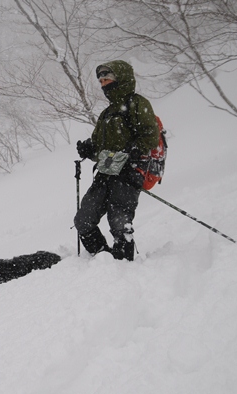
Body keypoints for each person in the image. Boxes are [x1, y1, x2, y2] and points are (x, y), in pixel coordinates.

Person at [74, 60, 159, 261]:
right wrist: (89, 149)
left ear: (121, 79)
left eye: (107, 79)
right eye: (101, 81)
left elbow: (150, 136)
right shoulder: (107, 113)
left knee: (119, 224)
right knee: (83, 220)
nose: (104, 84)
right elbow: (99, 147)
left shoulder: (137, 103)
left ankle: (123, 265)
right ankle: (101, 259)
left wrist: (133, 150)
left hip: (129, 173)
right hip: (106, 171)